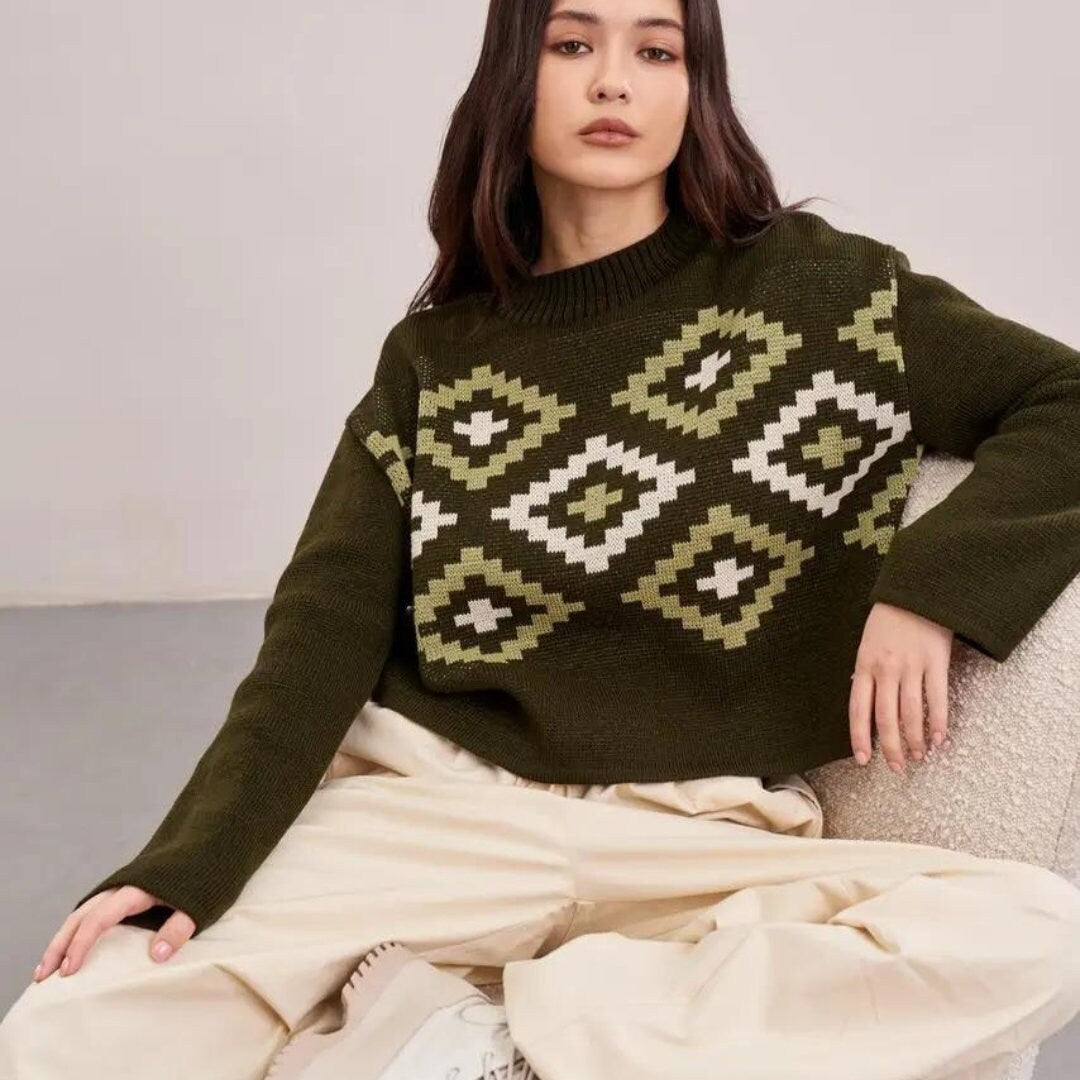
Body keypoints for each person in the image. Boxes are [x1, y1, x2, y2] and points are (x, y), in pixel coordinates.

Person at [4, 0, 1080, 1077]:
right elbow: (318, 634)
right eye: (573, 44)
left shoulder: (827, 291)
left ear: (695, 91)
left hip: (705, 837)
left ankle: (502, 1040)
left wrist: (932, 591)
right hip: (438, 811)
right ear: (513, 78)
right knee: (73, 1027)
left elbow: (1063, 399)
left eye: (656, 51)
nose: (614, 81)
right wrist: (189, 861)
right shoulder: (433, 360)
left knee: (1034, 932)